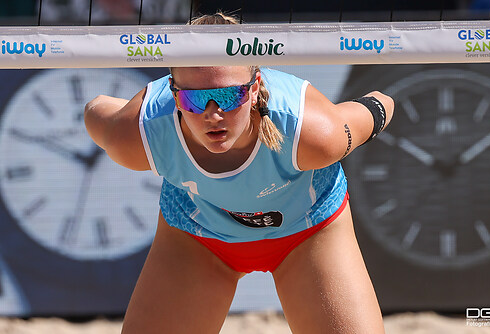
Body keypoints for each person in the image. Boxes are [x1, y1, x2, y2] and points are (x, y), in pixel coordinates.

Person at [84, 12, 394, 334]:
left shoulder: (314, 134)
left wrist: (380, 106)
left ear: (255, 87)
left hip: (310, 232)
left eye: (230, 96)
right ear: (175, 94)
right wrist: (133, 113)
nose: (212, 114)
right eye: (195, 99)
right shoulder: (137, 133)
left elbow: (379, 104)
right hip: (196, 238)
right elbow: (95, 110)